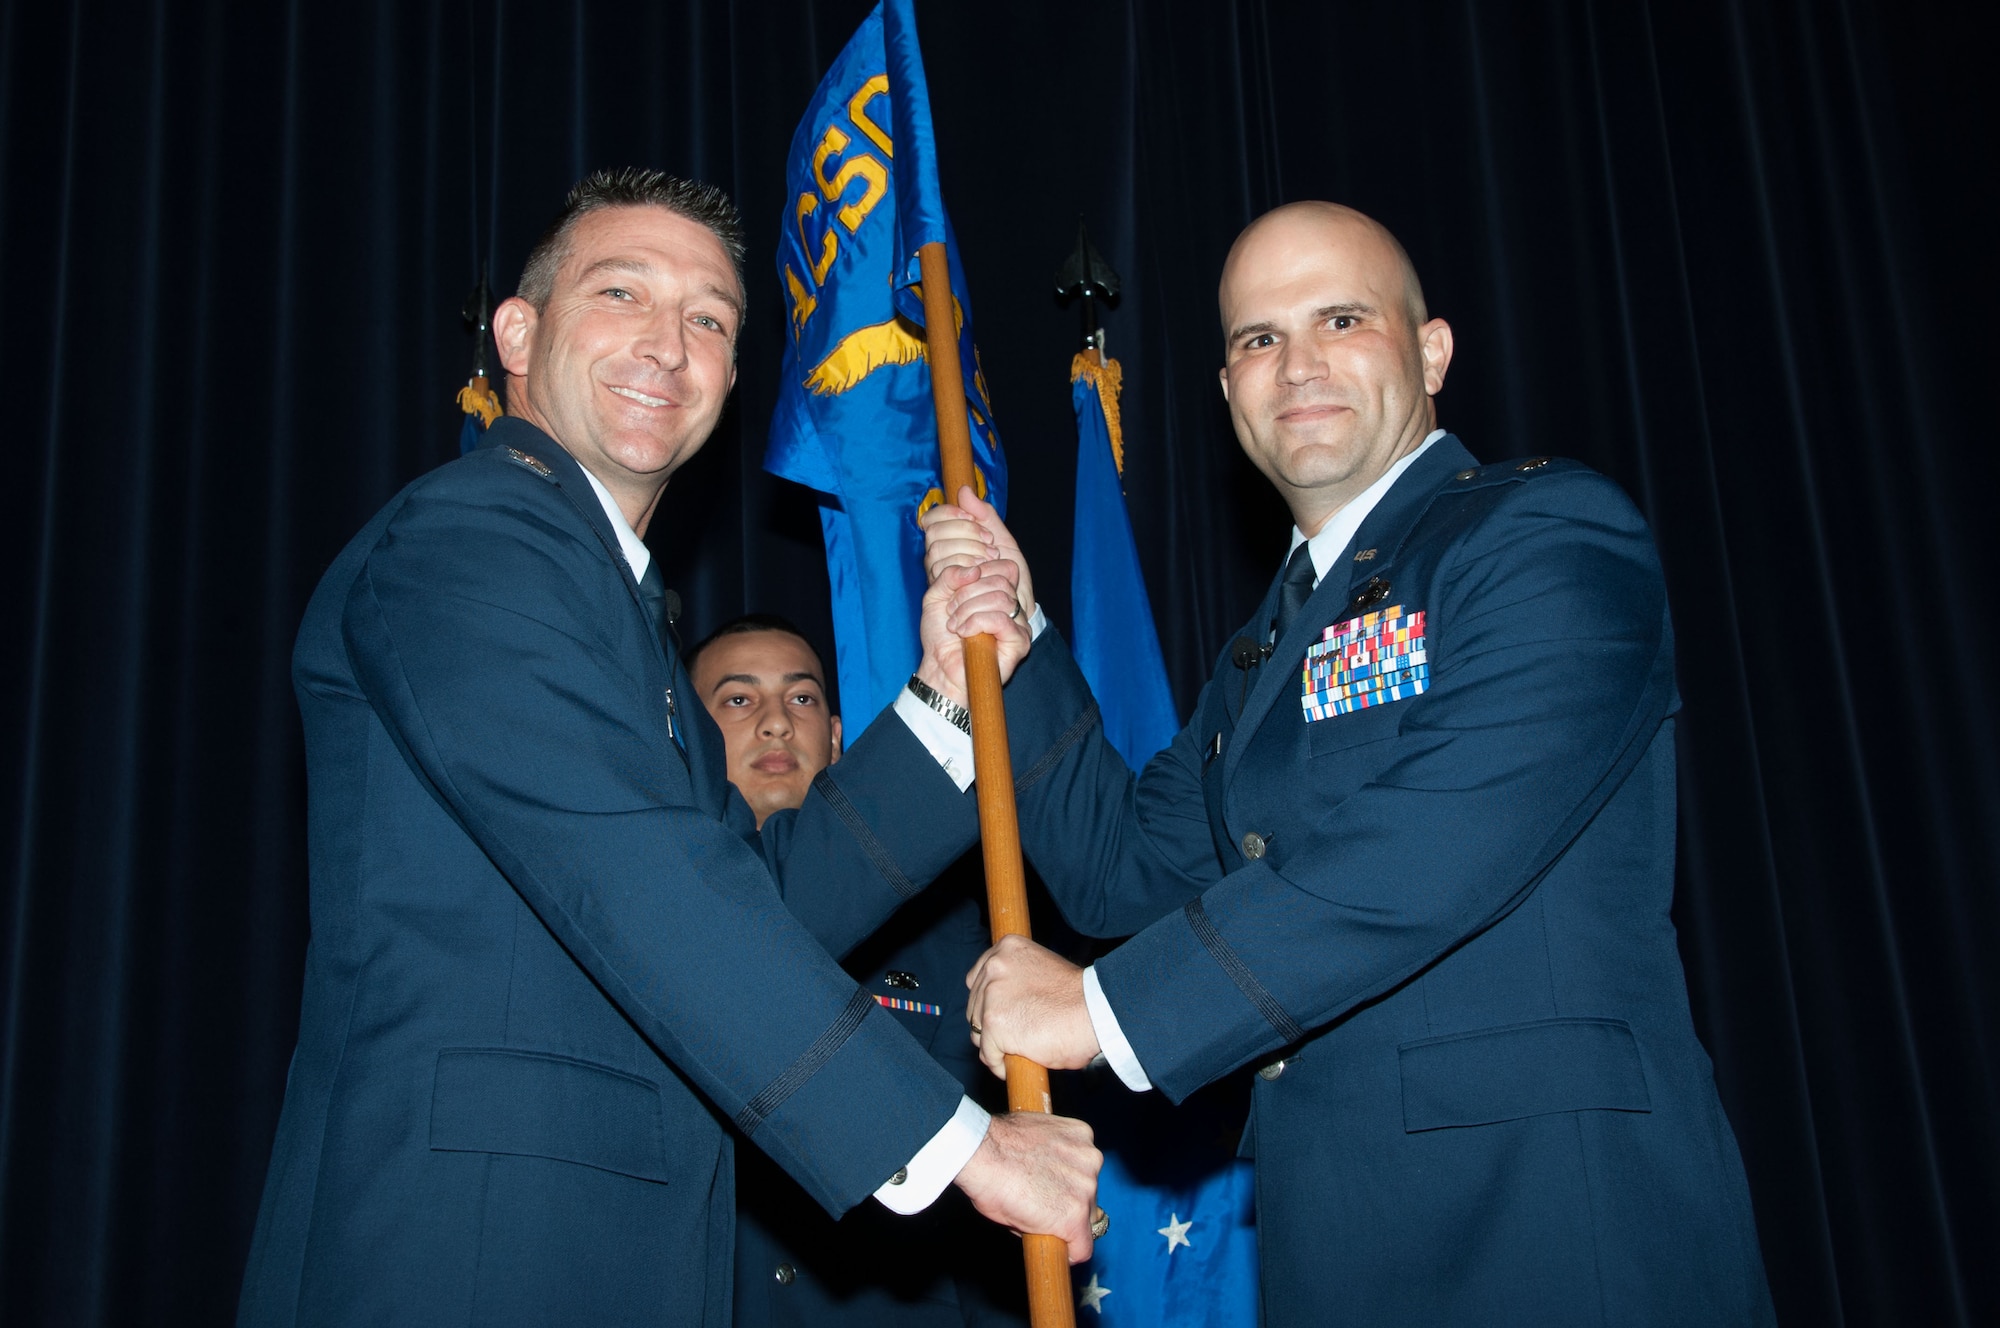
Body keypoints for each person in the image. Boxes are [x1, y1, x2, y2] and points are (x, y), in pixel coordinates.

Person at [236, 168, 1098, 1328]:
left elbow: (757, 900)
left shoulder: (624, 618)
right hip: (470, 1251)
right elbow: (639, 877)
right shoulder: (469, 536)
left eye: (708, 319)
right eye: (621, 294)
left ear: (732, 378)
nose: (666, 343)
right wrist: (959, 1146)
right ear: (518, 333)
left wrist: (944, 698)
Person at [927, 201, 1777, 1325]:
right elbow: (1122, 865)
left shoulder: (1544, 532)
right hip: (1335, 1240)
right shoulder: (1263, 649)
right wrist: (1019, 641)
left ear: (1429, 352)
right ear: (1227, 391)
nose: (1297, 365)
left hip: (1550, 1224)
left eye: (1339, 318)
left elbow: (1445, 831)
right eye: (1256, 338)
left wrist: (1106, 1010)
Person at [686, 615, 1026, 1327]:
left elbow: (998, 1195)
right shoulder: (630, 909)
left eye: (802, 698)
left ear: (838, 737)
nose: (777, 722)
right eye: (738, 700)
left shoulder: (953, 931)